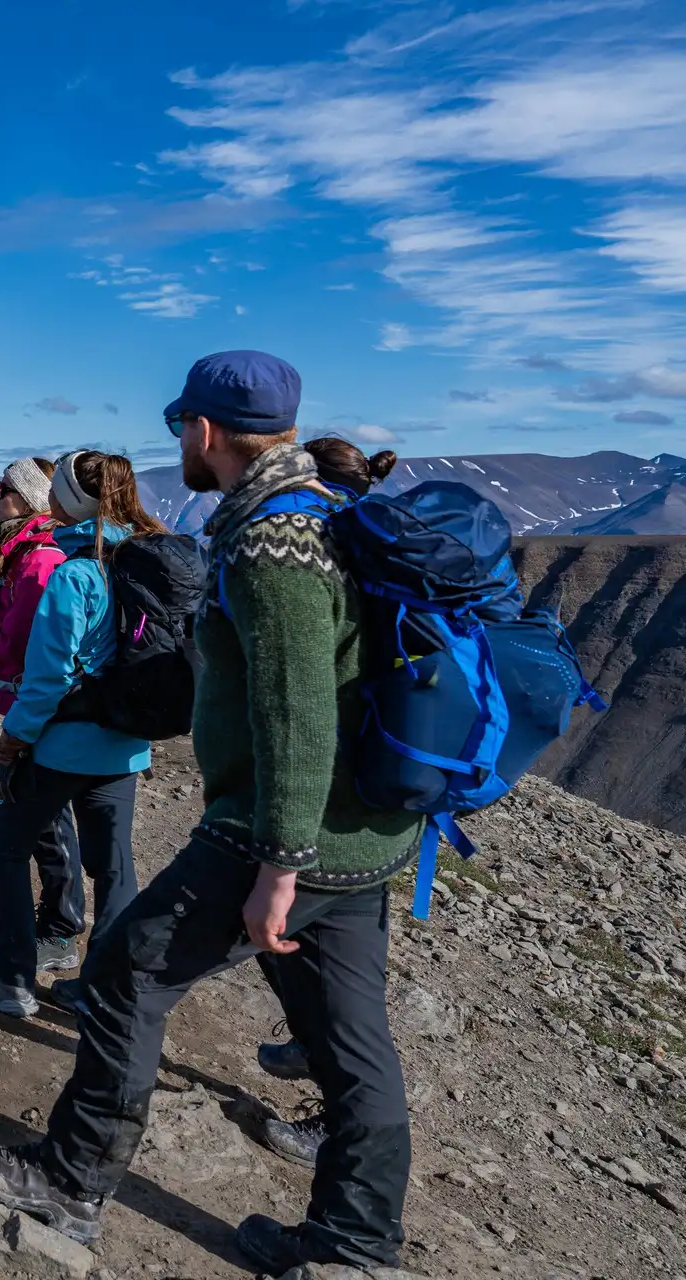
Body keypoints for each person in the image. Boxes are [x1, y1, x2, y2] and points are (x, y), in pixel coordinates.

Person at [0, 351, 424, 1275]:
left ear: (207, 433)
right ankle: (358, 1239)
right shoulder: (328, 513)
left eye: (182, 429)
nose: (179, 445)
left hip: (280, 832)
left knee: (127, 974)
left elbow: (296, 712)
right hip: (367, 829)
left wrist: (279, 867)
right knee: (350, 1037)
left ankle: (72, 1183)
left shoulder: (272, 544)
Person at [0, 450, 167, 1019]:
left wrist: (9, 746)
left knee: (5, 847)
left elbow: (47, 679)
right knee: (114, 866)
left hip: (65, 744)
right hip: (125, 744)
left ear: (68, 501)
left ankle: (14, 978)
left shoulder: (76, 574)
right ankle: (102, 990)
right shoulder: (141, 561)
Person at [252, 434, 402, 1167]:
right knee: (348, 1002)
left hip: (330, 817)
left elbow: (304, 711)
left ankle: (336, 1128)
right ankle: (360, 1213)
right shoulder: (373, 552)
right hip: (383, 805)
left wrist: (282, 850)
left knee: (147, 967)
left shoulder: (314, 550)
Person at [0, 457, 84, 975]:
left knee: (44, 824)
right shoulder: (26, 556)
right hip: (34, 708)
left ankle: (58, 931)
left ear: (31, 500)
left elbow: (10, 643)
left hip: (38, 711)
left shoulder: (37, 564)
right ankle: (58, 925)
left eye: (4, 491)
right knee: (45, 822)